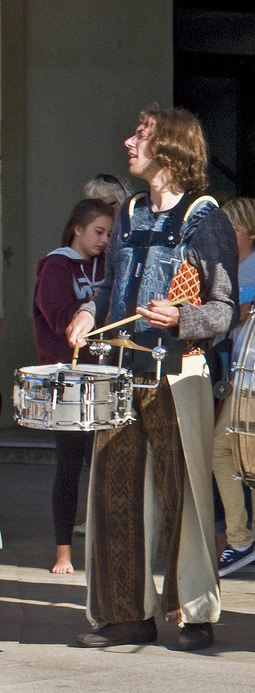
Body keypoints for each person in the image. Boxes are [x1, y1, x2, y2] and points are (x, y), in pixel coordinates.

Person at [65, 106, 238, 651]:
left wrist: (183, 319)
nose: (128, 141)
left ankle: (193, 613)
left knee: (183, 492)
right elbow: (110, 284)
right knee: (115, 494)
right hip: (121, 374)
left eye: (140, 135)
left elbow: (224, 309)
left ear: (170, 149)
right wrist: (91, 313)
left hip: (177, 374)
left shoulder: (205, 218)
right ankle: (126, 614)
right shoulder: (132, 211)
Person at [33, 198, 116, 574]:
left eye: (109, 234)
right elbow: (61, 318)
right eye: (99, 232)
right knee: (69, 467)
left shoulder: (109, 265)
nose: (104, 240)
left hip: (106, 378)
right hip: (68, 379)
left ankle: (105, 550)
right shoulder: (56, 265)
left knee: (104, 469)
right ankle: (63, 552)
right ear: (78, 229)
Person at [211, 197, 255, 576]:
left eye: (229, 228)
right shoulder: (241, 265)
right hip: (251, 370)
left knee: (221, 452)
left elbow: (254, 309)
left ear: (250, 231)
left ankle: (241, 540)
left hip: (251, 371)